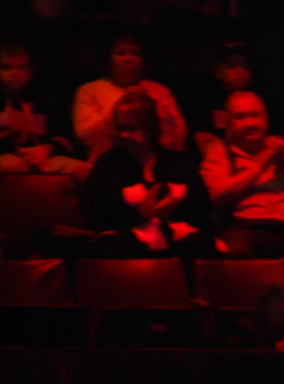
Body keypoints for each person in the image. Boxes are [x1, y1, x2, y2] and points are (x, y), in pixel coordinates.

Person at [199, 91, 284, 258]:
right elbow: (215, 196)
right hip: (248, 227)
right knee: (236, 250)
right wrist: (257, 167)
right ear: (230, 124)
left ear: (266, 119)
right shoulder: (221, 154)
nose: (249, 123)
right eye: (241, 117)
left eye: (255, 116)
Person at [80, 89, 207, 255]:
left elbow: (203, 214)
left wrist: (176, 208)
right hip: (126, 250)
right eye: (119, 128)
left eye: (131, 129)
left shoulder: (179, 164)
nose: (124, 135)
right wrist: (137, 214)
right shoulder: (108, 165)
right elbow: (94, 219)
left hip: (179, 248)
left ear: (150, 128)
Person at [72, 33, 182, 159]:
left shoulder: (160, 91)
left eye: (135, 54)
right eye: (121, 53)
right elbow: (84, 135)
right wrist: (120, 107)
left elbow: (179, 132)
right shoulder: (89, 90)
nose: (129, 59)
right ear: (108, 60)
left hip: (156, 159)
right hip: (108, 159)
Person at [0, 43, 79, 178]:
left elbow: (65, 138)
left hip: (43, 157)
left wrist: (47, 149)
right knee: (12, 165)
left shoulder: (44, 103)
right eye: (7, 68)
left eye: (20, 68)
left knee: (81, 169)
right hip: (8, 156)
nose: (14, 73)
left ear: (29, 73)